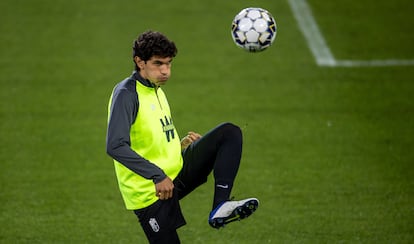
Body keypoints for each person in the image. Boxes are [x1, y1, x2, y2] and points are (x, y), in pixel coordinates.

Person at [106, 30, 259, 244]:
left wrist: (177, 147)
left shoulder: (155, 88)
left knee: (229, 133)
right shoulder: (127, 95)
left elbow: (149, 136)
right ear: (139, 62)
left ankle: (221, 205)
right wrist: (157, 175)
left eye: (169, 64)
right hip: (150, 193)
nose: (166, 71)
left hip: (176, 173)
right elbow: (114, 146)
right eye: (158, 64)